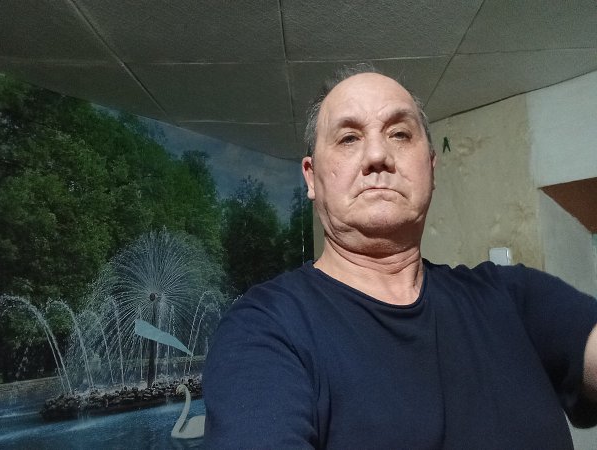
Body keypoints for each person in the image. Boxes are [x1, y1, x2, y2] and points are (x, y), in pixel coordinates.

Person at [202, 64, 597, 449]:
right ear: (311, 177)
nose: (378, 154)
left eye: (400, 134)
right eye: (349, 138)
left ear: (431, 167)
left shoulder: (515, 297)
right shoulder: (263, 329)